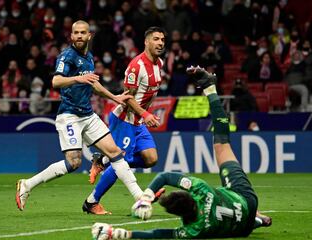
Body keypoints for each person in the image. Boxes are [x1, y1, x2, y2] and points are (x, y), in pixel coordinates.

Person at [92, 67, 272, 239]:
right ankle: (210, 89)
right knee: (222, 144)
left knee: (230, 223)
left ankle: (256, 219)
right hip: (244, 197)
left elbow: (161, 234)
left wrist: (122, 234)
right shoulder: (201, 190)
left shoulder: (196, 229)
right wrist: (146, 198)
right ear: (190, 195)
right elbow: (166, 177)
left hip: (244, 225)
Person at [15, 20, 144, 211]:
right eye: (76, 33)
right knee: (73, 162)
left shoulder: (89, 57)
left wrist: (114, 97)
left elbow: (93, 84)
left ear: (89, 36)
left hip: (88, 115)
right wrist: (77, 78)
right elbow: (56, 81)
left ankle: (140, 198)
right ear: (71, 36)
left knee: (115, 153)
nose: (79, 36)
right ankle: (27, 185)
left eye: (83, 33)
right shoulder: (67, 56)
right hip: (69, 115)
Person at [83, 27, 166, 215]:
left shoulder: (159, 63)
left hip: (138, 121)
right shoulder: (137, 66)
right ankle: (91, 201)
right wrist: (146, 114)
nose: (160, 43)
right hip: (124, 120)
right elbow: (127, 98)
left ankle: (103, 160)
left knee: (150, 158)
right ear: (146, 42)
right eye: (156, 39)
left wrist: (143, 116)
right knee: (121, 161)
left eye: (162, 39)